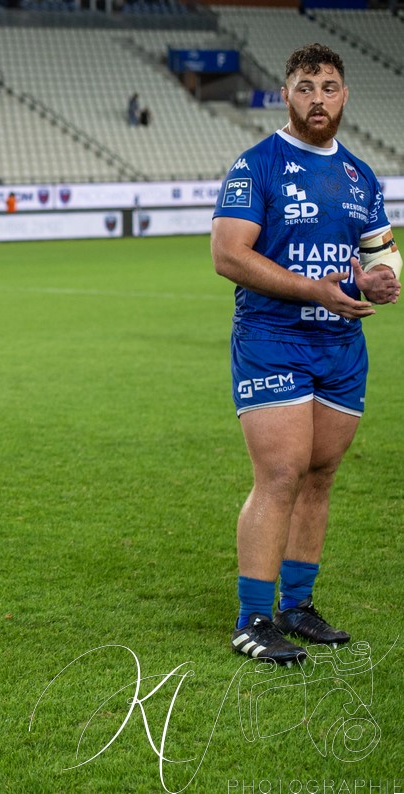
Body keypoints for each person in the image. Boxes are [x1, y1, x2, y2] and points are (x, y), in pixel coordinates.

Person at [211, 43, 399, 665]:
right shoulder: (256, 165)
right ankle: (253, 618)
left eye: (328, 86)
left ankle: (297, 605)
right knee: (282, 473)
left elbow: (381, 259)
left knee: (320, 475)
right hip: (273, 340)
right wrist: (319, 288)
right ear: (286, 94)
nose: (317, 98)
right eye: (304, 86)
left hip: (341, 344)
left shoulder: (360, 177)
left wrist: (382, 279)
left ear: (345, 95)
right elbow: (229, 256)